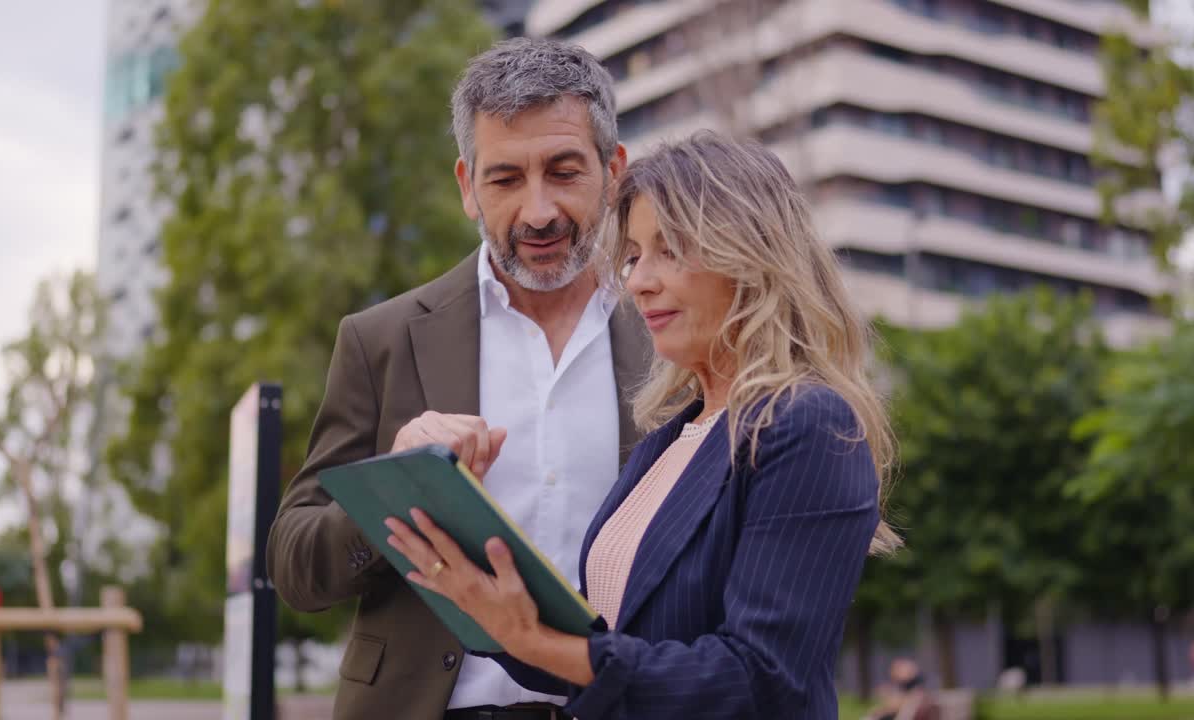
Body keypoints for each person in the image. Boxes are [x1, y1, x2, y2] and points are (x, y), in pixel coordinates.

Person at [385, 132, 901, 720]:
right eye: (633, 256)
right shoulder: (666, 441)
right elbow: (617, 649)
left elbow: (759, 678)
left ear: (754, 254)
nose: (637, 280)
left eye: (671, 250)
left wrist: (537, 641)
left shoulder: (806, 423)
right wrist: (490, 606)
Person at [267, 38, 650, 720]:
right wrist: (395, 482)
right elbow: (295, 565)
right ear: (467, 188)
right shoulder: (381, 340)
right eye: (505, 180)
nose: (538, 212)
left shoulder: (671, 337)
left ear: (613, 172)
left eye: (564, 172)